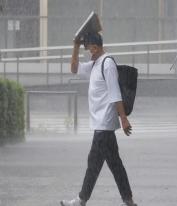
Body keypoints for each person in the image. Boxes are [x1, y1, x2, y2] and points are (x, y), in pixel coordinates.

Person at [60, 33, 137, 206]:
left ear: (96, 47)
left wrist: (123, 118)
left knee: (93, 164)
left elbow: (115, 92)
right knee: (115, 166)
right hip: (102, 125)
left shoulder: (107, 63)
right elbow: (74, 68)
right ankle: (129, 201)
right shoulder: (95, 64)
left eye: (89, 49)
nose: (89, 52)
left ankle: (81, 200)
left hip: (104, 124)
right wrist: (75, 46)